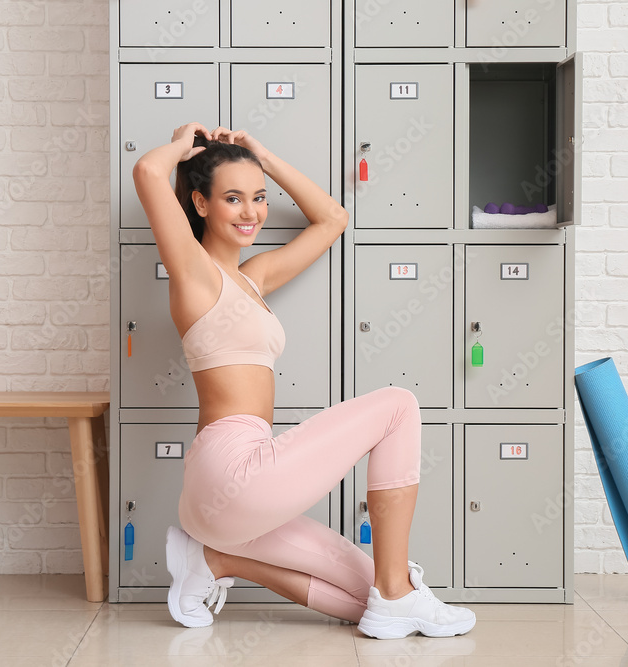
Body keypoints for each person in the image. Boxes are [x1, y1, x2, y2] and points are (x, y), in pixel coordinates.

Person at [132, 122, 476, 640]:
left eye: (258, 199)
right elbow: (147, 171)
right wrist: (185, 144)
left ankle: (215, 560)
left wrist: (262, 157)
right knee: (399, 405)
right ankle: (400, 592)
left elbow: (332, 218)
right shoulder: (195, 273)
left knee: (364, 599)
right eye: (232, 198)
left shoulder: (253, 277)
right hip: (235, 470)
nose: (251, 213)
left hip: (220, 500)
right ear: (201, 205)